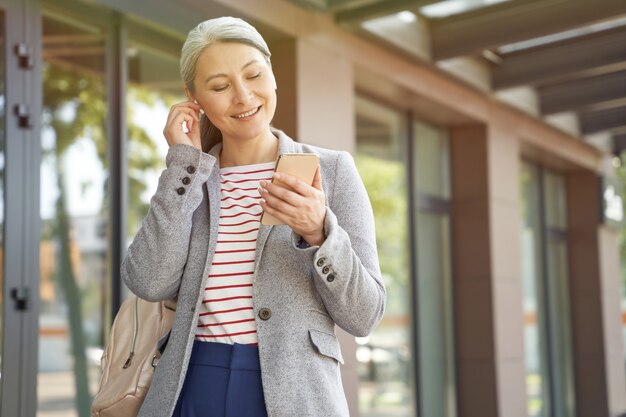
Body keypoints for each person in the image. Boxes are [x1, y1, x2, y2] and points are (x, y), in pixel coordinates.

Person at [122, 16, 385, 417]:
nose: (243, 97)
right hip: (192, 383)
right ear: (194, 98)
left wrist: (320, 232)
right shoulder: (191, 178)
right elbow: (148, 280)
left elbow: (364, 315)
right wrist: (183, 164)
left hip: (295, 391)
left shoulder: (332, 171)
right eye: (220, 86)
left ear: (272, 73)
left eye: (253, 75)